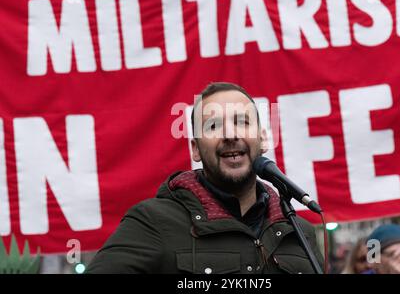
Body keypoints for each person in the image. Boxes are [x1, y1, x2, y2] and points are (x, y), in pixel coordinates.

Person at [87, 82, 324, 274]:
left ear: (262, 140)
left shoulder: (300, 231)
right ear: (195, 149)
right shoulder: (153, 221)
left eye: (242, 122)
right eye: (213, 126)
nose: (230, 134)